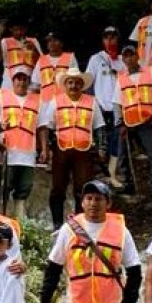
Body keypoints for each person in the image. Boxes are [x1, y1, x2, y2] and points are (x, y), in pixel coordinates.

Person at [38, 68, 106, 230]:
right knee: (58, 188)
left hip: (84, 151)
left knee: (82, 188)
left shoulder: (92, 102)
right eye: (70, 82)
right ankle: (57, 225)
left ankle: (79, 223)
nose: (73, 86)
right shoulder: (56, 101)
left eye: (77, 83)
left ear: (82, 85)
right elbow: (47, 126)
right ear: (65, 85)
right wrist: (45, 148)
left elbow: (100, 127)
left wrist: (102, 147)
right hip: (61, 149)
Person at [113, 45, 152, 201]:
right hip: (127, 122)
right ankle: (127, 184)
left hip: (147, 120)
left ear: (137, 56)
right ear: (123, 60)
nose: (129, 59)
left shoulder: (150, 72)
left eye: (132, 55)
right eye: (126, 56)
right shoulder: (121, 77)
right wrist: (119, 124)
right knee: (123, 155)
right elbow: (117, 102)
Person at [0, 65, 41, 221]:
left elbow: (42, 127)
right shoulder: (1, 98)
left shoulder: (37, 100)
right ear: (12, 81)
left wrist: (44, 149)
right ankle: (1, 218)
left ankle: (19, 220)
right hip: (7, 152)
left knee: (24, 188)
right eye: (18, 78)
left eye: (24, 78)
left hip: (28, 153)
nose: (21, 82)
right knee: (4, 187)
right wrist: (0, 140)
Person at [85, 27, 125, 189]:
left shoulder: (124, 60)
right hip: (100, 106)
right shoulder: (96, 59)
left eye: (113, 37)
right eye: (106, 38)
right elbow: (88, 82)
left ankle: (113, 174)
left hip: (118, 107)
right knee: (100, 141)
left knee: (116, 141)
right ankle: (99, 174)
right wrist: (91, 103)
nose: (110, 41)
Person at [0, 18, 42, 90]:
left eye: (21, 29)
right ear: (11, 30)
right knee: (8, 99)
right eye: (16, 30)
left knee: (30, 100)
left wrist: (34, 49)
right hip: (9, 79)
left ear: (26, 29)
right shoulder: (5, 41)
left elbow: (42, 61)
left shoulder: (33, 41)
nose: (19, 32)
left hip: (29, 79)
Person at [31, 31, 78, 104]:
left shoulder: (70, 58)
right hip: (45, 102)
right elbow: (35, 85)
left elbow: (76, 81)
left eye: (55, 40)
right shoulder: (41, 60)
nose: (52, 43)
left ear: (61, 44)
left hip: (65, 101)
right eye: (49, 41)